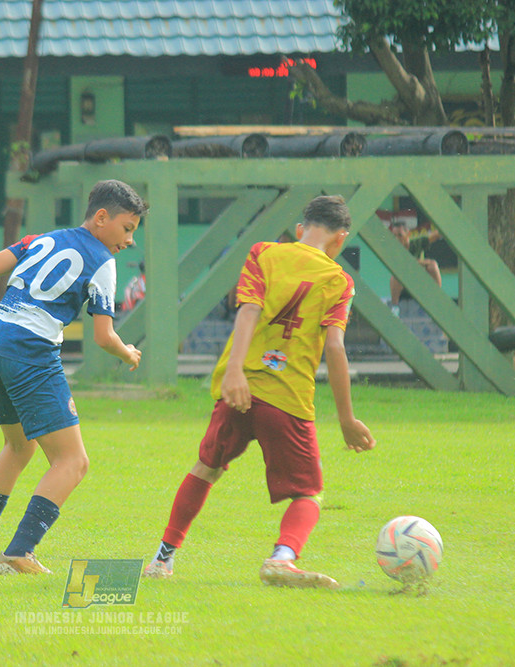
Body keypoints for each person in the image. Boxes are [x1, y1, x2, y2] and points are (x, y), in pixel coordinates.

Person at [142, 194, 375, 589]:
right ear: (340, 240)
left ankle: (162, 560)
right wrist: (347, 419)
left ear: (300, 230)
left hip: (240, 389)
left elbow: (247, 310)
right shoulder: (339, 281)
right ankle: (282, 559)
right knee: (309, 493)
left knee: (206, 468)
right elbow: (335, 348)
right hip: (288, 400)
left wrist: (235, 372)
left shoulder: (263, 253)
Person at [0, 179, 146, 575]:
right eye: (127, 229)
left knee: (18, 447)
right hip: (30, 350)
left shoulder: (41, 239)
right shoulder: (102, 260)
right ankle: (19, 552)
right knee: (73, 461)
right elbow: (103, 336)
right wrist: (127, 351)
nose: (129, 241)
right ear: (101, 218)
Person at [389, 221, 442, 314]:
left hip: (420, 285)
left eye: (400, 235)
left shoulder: (416, 243)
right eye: (394, 236)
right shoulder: (394, 250)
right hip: (402, 288)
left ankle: (439, 298)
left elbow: (435, 235)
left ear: (408, 234)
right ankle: (395, 308)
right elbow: (401, 266)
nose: (396, 239)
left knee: (433, 265)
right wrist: (421, 263)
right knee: (395, 277)